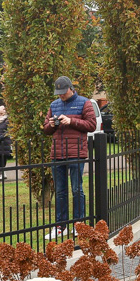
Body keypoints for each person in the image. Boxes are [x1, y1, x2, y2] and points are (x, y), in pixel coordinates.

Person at [42, 76, 96, 240]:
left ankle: (79, 225)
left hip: (76, 153)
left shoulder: (84, 102)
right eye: (58, 93)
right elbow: (45, 129)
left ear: (70, 89)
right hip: (57, 153)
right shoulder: (54, 105)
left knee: (76, 189)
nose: (61, 96)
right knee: (60, 191)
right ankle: (60, 226)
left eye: (63, 92)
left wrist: (71, 121)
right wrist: (51, 125)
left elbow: (91, 125)